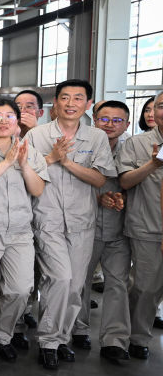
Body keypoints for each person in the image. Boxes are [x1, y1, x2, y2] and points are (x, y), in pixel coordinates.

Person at [27, 80, 115, 370]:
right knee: (60, 279)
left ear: (88, 104)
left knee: (76, 285)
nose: (70, 103)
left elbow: (99, 179)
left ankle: (61, 337)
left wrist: (66, 163)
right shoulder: (37, 135)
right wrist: (52, 158)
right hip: (47, 218)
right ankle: (48, 342)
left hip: (82, 221)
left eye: (78, 98)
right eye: (65, 97)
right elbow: (25, 172)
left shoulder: (96, 137)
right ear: (56, 102)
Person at [0, 100, 47, 364]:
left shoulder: (29, 151)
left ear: (17, 122)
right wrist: (7, 162)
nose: (3, 121)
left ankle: (2, 335)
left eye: (9, 116)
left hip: (20, 232)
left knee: (20, 289)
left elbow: (37, 189)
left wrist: (23, 164)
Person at [74, 100, 131, 361]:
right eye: (104, 119)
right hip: (86, 224)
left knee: (117, 283)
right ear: (94, 120)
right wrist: (98, 198)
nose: (109, 125)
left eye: (117, 120)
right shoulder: (80, 145)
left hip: (120, 227)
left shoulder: (132, 148)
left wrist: (121, 198)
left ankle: (114, 341)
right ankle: (78, 329)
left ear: (126, 124)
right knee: (80, 280)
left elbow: (138, 183)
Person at [117, 91, 163, 360]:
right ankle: (137, 336)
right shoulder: (137, 144)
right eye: (162, 106)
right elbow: (125, 181)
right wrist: (153, 164)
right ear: (153, 112)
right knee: (146, 287)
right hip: (148, 225)